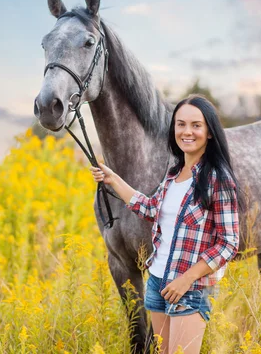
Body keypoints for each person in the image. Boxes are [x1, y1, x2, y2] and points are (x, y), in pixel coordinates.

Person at [90, 94, 242, 354]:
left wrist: (186, 279)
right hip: (157, 282)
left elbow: (229, 243)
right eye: (180, 124)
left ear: (210, 133)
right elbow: (150, 209)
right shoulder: (173, 174)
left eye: (196, 125)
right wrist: (113, 179)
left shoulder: (218, 178)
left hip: (190, 289)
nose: (187, 131)